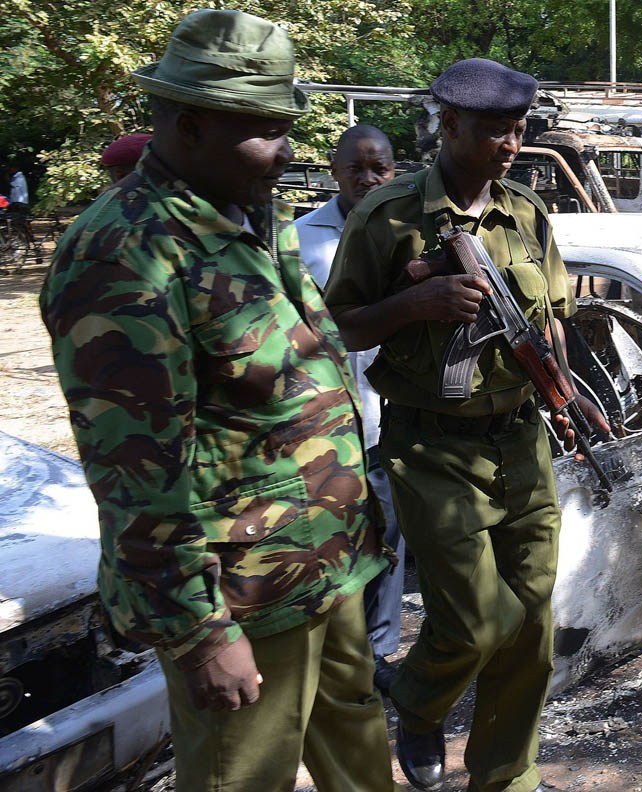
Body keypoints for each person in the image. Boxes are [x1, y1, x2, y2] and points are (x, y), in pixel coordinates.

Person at [39, 10, 396, 792]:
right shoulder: (126, 252)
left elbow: (306, 371)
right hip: (244, 595)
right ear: (191, 125)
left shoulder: (252, 215)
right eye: (266, 129)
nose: (288, 149)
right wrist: (201, 634)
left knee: (362, 759)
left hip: (323, 569)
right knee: (241, 776)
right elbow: (134, 471)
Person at [324, 58, 609, 792]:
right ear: (446, 124)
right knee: (481, 622)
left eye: (517, 131)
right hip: (431, 446)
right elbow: (338, 327)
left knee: (532, 632)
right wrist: (413, 306)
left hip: (521, 439)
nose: (509, 145)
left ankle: (505, 778)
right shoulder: (386, 217)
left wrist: (567, 393)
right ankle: (418, 703)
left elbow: (550, 322)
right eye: (492, 132)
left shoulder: (528, 214)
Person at [294, 124, 404, 689]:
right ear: (335, 170)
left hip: (393, 416)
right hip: (325, 427)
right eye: (355, 168)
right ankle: (333, 656)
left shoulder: (408, 232)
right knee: (331, 542)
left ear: (393, 170)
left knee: (388, 539)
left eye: (378, 168)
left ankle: (378, 654)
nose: (367, 179)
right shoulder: (298, 240)